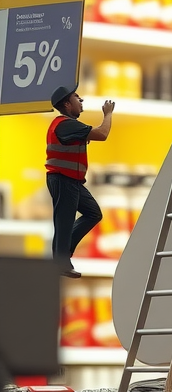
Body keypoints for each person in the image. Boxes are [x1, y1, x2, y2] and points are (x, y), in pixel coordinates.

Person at [45, 85, 114, 278]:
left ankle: (64, 253)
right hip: (63, 179)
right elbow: (102, 134)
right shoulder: (65, 124)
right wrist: (107, 114)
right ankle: (60, 262)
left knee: (93, 213)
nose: (81, 100)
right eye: (77, 97)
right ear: (67, 104)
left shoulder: (69, 126)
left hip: (72, 181)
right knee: (64, 221)